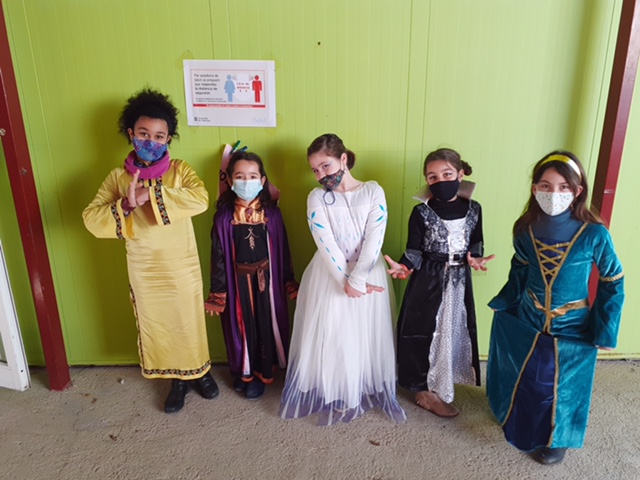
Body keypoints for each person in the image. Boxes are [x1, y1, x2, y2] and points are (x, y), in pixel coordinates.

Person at [82, 87, 218, 414]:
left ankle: (200, 372)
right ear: (131, 133)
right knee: (160, 325)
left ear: (169, 138)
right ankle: (176, 381)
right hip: (144, 268)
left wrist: (150, 194)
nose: (151, 141)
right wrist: (126, 205)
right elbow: (91, 219)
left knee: (188, 322)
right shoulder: (118, 178)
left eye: (159, 136)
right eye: (144, 133)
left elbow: (200, 199)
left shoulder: (180, 170)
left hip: (182, 264)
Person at [486, 151, 624, 465]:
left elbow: (613, 280)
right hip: (530, 315)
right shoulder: (525, 228)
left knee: (562, 384)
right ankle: (522, 422)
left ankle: (558, 438)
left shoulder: (594, 234)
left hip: (573, 323)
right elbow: (520, 270)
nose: (554, 193)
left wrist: (606, 328)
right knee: (531, 375)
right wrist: (505, 302)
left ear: (578, 191)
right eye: (546, 186)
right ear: (535, 188)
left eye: (564, 187)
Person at [279, 133, 406, 426]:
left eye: (325, 166)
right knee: (335, 333)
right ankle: (336, 391)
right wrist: (345, 281)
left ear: (343, 159)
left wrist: (358, 279)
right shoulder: (316, 197)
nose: (321, 175)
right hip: (329, 274)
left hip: (368, 271)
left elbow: (374, 238)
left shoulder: (373, 191)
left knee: (364, 333)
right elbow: (326, 243)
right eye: (315, 170)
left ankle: (358, 386)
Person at [385, 148, 494, 418]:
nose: (440, 181)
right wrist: (404, 267)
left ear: (460, 174)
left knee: (451, 329)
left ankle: (444, 381)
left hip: (459, 282)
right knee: (424, 330)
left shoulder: (474, 209)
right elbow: (414, 250)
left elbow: (476, 242)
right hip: (428, 280)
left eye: (447, 174)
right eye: (432, 177)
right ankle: (423, 390)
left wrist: (476, 259)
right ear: (427, 180)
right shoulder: (421, 212)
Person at [205, 151, 298, 400]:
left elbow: (283, 250)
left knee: (265, 325)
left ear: (262, 180)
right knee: (241, 327)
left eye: (253, 176)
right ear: (230, 181)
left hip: (267, 283)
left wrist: (289, 281)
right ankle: (244, 371)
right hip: (237, 284)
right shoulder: (224, 217)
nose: (247, 182)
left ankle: (261, 373)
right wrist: (218, 293)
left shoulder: (272, 215)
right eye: (240, 176)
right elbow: (218, 258)